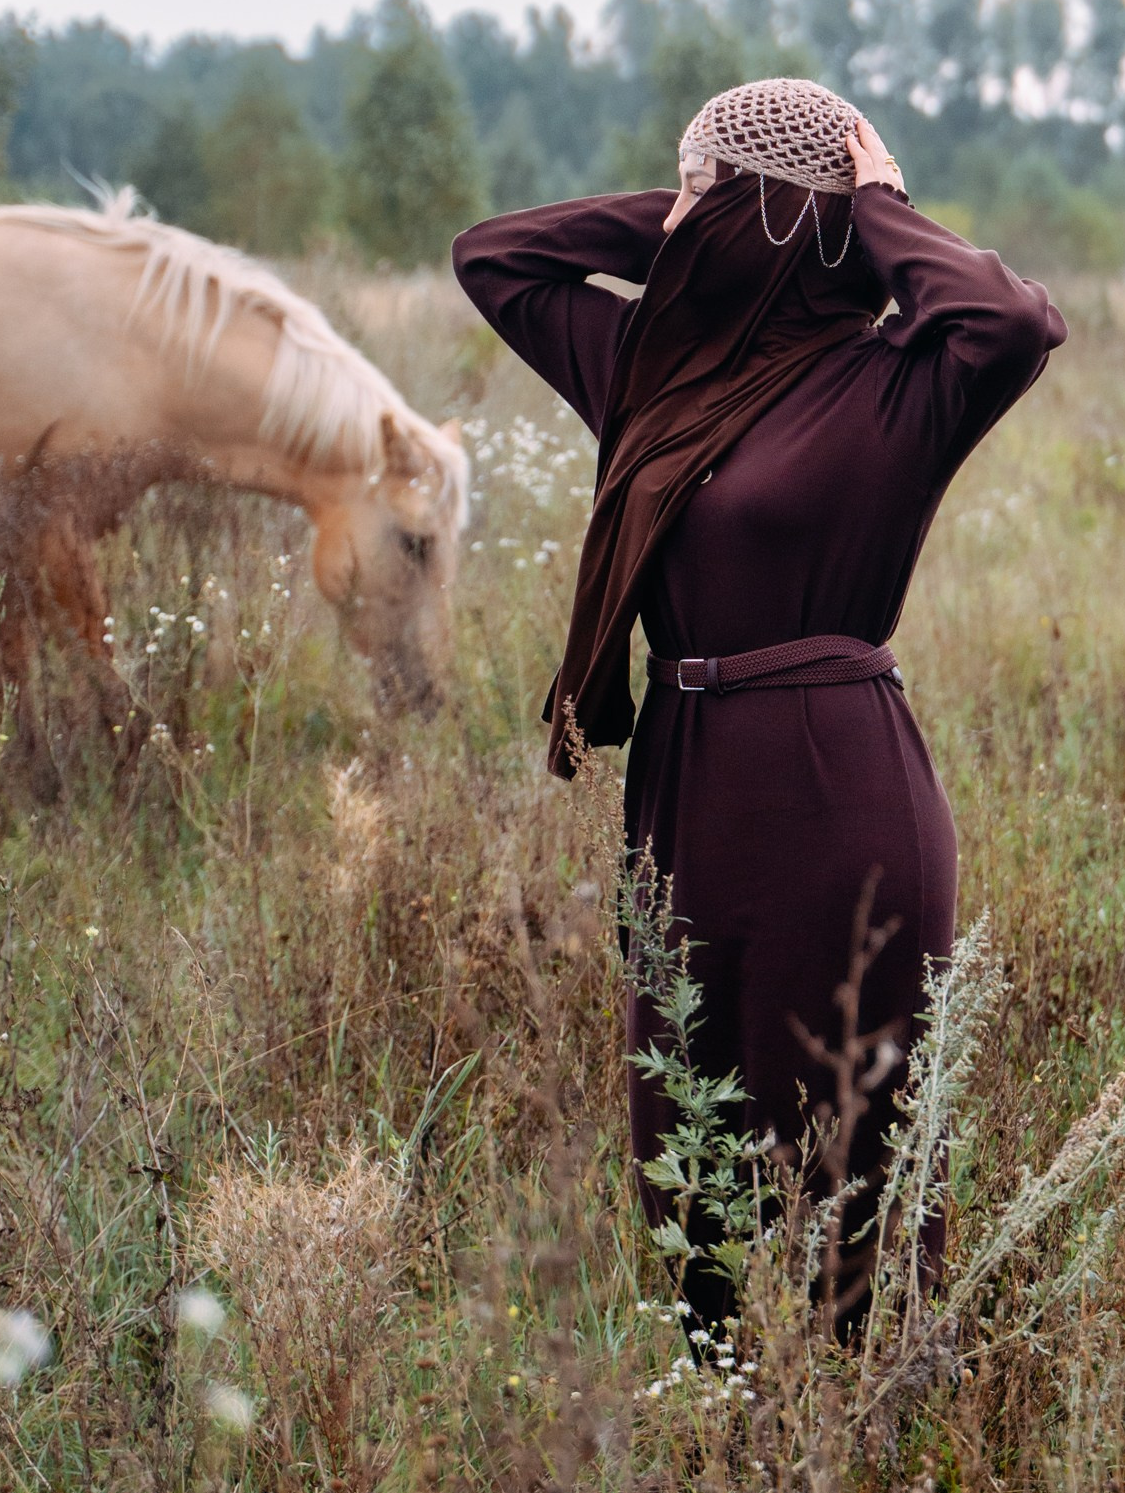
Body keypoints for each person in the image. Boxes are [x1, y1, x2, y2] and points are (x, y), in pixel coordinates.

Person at [453, 80, 1064, 1315]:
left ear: (770, 211)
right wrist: (705, 220)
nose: (675, 214)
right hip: (684, 783)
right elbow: (495, 258)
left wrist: (866, 208)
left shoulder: (897, 384)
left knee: (852, 1140)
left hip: (840, 789)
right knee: (688, 1125)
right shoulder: (650, 368)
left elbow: (1012, 321)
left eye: (696, 190)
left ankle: (870, 1394)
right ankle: (729, 1391)